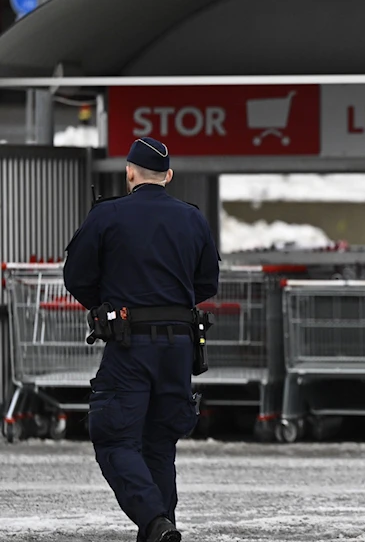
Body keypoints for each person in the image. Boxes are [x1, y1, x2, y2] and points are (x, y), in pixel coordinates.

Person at [63, 137, 220, 542]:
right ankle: (160, 528)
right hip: (180, 347)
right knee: (160, 442)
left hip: (130, 344)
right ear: (168, 176)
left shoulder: (107, 215)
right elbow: (207, 283)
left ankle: (154, 522)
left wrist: (107, 307)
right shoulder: (193, 219)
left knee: (114, 436)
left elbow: (76, 276)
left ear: (129, 172)